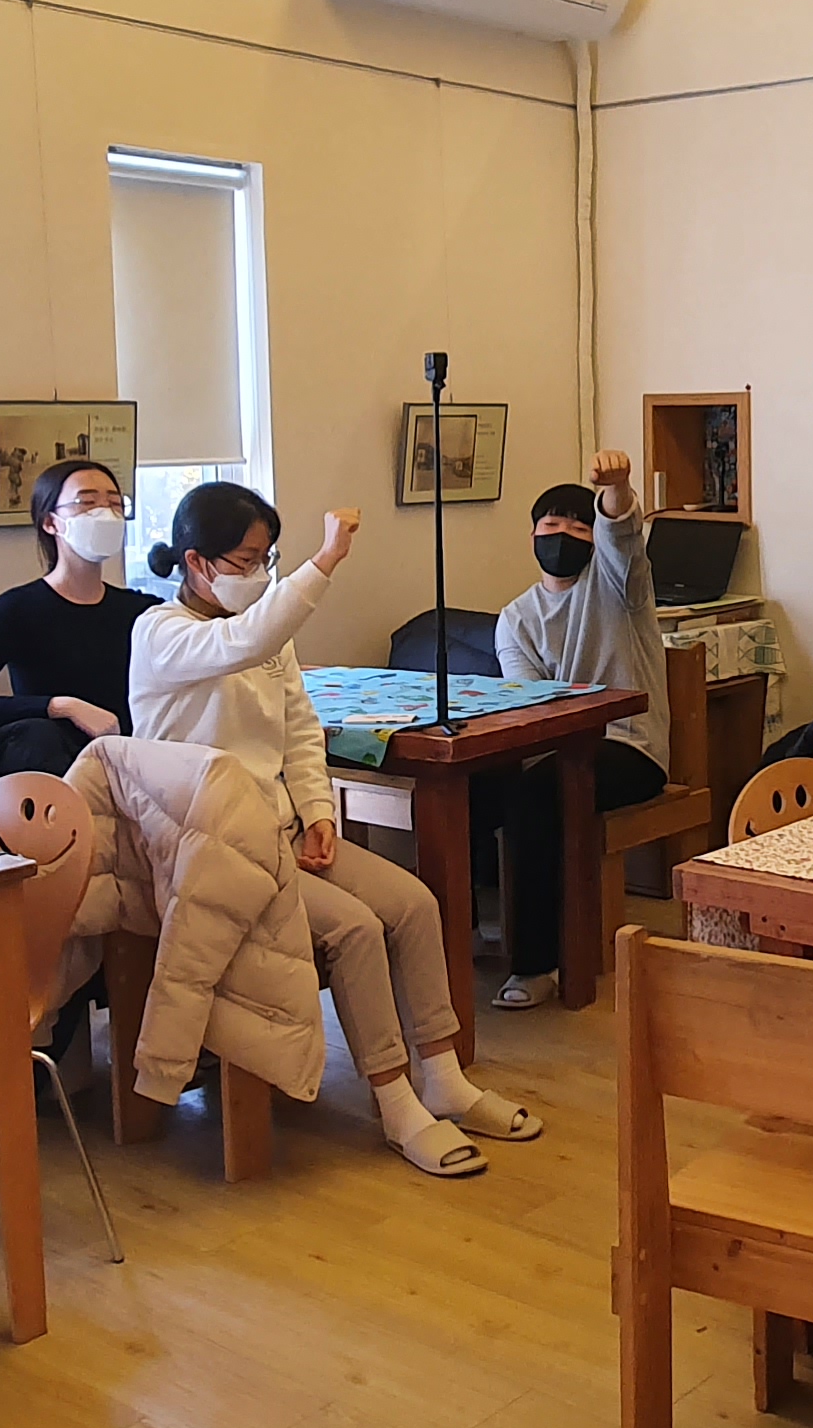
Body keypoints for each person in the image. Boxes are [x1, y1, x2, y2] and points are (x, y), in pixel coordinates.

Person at [128, 480, 538, 1177]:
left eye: (267, 559)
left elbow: (298, 731)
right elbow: (239, 642)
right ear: (196, 563)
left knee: (414, 904)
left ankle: (444, 1078)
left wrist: (318, 813)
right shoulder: (161, 633)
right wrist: (323, 561)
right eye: (245, 561)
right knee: (354, 930)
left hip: (282, 833)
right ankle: (395, 1102)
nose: (259, 575)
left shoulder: (266, 630)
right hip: (214, 852)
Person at [482, 446, 669, 1010]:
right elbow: (528, 701)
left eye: (579, 526)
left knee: (538, 797)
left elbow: (624, 539)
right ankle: (459, 935)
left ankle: (538, 964)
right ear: (532, 535)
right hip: (553, 750)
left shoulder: (619, 588)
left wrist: (615, 490)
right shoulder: (515, 618)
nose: (563, 535)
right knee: (475, 787)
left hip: (631, 749)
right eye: (552, 524)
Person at [0, 455, 153, 785]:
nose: (105, 513)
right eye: (87, 502)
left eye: (115, 503)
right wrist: (61, 706)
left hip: (128, 766)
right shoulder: (17, 608)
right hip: (52, 767)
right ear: (51, 522)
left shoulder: (140, 610)